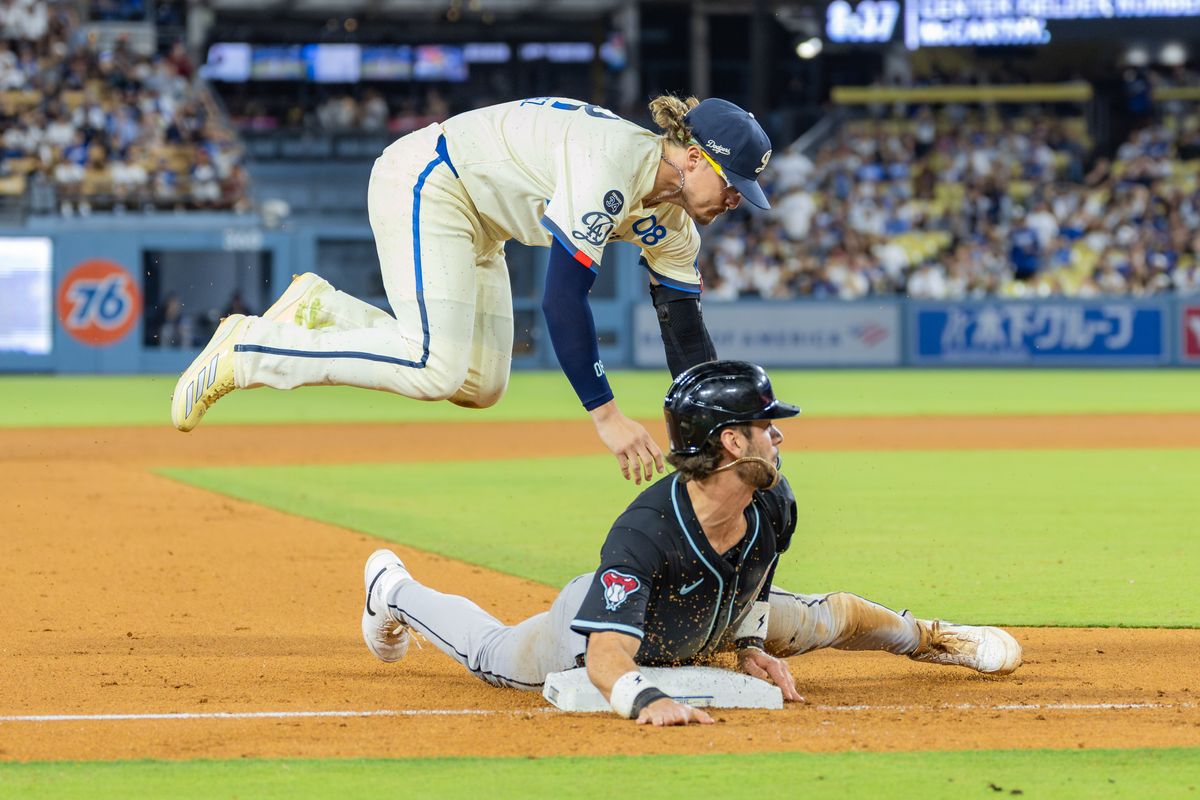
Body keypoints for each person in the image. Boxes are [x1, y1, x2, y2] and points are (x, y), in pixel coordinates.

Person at [360, 361, 1023, 726]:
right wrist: (645, 700)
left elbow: (757, 582)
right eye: (767, 426)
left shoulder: (773, 501)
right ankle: (391, 590)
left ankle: (935, 638)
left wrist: (752, 645)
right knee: (493, 655)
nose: (779, 436)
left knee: (828, 615)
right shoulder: (642, 533)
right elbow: (607, 660)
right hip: (597, 628)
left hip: (714, 615)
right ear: (732, 442)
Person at [171, 95, 772, 483]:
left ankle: (321, 310)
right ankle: (248, 350)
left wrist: (722, 427)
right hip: (431, 180)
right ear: (694, 157)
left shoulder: (674, 226)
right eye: (732, 181)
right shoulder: (610, 164)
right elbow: (562, 299)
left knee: (481, 385)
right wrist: (607, 415)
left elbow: (684, 332)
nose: (737, 198)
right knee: (435, 366)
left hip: (485, 223)